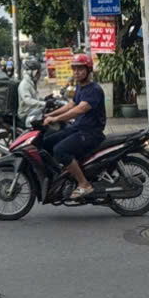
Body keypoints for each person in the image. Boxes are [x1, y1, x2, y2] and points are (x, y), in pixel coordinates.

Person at [41, 53, 106, 201]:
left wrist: (55, 119)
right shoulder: (80, 87)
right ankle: (60, 175)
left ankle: (84, 184)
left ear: (88, 70)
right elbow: (72, 104)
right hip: (78, 128)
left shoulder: (94, 89)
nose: (77, 72)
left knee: (60, 150)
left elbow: (79, 109)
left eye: (80, 69)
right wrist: (49, 114)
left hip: (90, 133)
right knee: (46, 142)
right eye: (74, 69)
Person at [17, 57, 43, 122]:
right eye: (38, 73)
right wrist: (44, 103)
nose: (39, 75)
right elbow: (28, 100)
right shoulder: (24, 84)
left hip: (32, 111)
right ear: (33, 72)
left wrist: (45, 100)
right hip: (25, 114)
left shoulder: (31, 82)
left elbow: (35, 98)